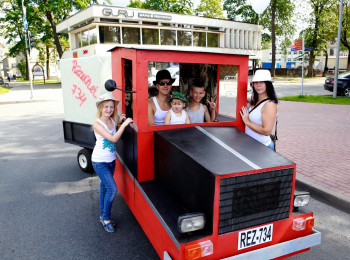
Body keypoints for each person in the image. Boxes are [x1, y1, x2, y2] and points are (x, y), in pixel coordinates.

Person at [92, 92, 133, 233]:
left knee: (104, 188)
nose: (109, 109)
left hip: (111, 161)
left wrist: (120, 122)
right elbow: (113, 138)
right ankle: (106, 219)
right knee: (112, 189)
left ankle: (102, 215)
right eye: (106, 107)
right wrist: (125, 124)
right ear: (101, 108)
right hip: (99, 162)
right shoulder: (98, 124)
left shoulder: (112, 120)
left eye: (111, 107)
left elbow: (114, 130)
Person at [240, 69, 278, 150]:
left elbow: (266, 131)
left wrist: (247, 122)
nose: (258, 85)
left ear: (268, 84)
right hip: (253, 145)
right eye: (256, 82)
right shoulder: (255, 101)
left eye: (261, 82)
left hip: (263, 147)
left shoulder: (269, 104)